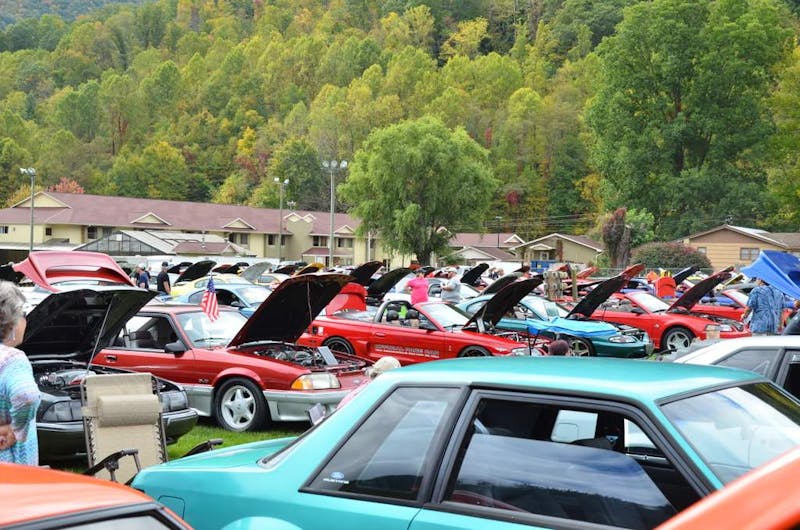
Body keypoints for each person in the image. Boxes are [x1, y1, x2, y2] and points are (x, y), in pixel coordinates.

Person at [0, 280, 41, 465]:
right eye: (23, 314)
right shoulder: (12, 360)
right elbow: (26, 396)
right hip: (11, 468)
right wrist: (16, 430)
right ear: (11, 324)